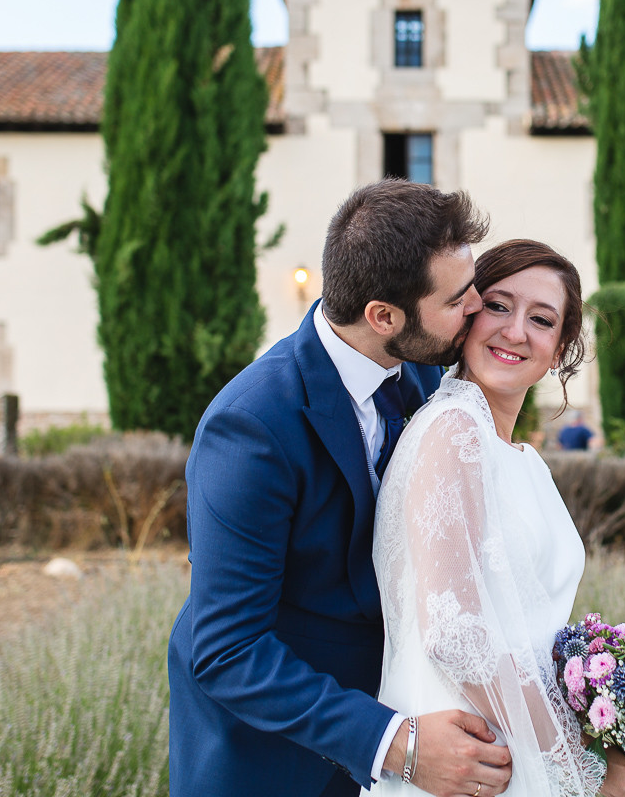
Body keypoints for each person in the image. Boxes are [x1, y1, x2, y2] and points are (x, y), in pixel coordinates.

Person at [168, 180, 514, 797]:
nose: (479, 304)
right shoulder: (250, 426)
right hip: (271, 761)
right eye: (458, 297)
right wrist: (396, 743)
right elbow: (226, 650)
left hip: (403, 718)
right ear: (383, 316)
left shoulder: (424, 376)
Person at [372, 239, 625, 797]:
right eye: (498, 305)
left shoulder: (518, 458)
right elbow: (454, 633)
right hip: (469, 758)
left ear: (560, 349)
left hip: (517, 746)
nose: (515, 332)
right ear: (466, 316)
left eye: (541, 319)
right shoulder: (454, 430)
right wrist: (587, 773)